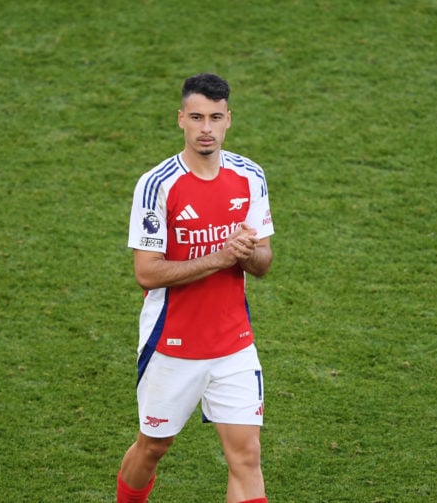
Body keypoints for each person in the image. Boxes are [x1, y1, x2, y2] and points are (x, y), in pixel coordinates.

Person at [117, 73, 275, 503]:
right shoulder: (157, 186)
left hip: (234, 345)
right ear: (181, 120)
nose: (206, 128)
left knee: (246, 457)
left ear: (228, 121)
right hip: (172, 346)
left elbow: (262, 263)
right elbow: (147, 273)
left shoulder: (250, 177)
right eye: (197, 117)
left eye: (215, 118)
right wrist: (222, 258)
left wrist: (245, 254)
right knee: (153, 446)